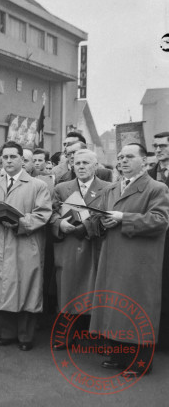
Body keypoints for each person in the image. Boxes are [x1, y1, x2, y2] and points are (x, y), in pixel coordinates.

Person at [89, 143, 169, 377]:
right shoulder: (112, 188)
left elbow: (161, 220)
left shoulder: (156, 188)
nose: (123, 161)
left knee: (138, 306)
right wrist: (100, 221)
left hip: (139, 259)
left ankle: (141, 363)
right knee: (116, 306)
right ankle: (119, 355)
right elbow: (99, 216)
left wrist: (123, 218)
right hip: (112, 255)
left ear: (144, 161)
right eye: (121, 157)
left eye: (129, 157)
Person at [0, 141, 52, 351]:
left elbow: (43, 214)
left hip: (23, 242)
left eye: (13, 157)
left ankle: (25, 336)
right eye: (5, 157)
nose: (9, 161)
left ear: (22, 160)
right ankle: (7, 333)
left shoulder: (37, 185)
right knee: (1, 287)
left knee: (26, 287)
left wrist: (20, 222)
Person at [49, 149, 110, 349]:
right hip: (68, 245)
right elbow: (51, 212)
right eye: (77, 163)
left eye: (86, 163)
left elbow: (108, 216)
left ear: (95, 166)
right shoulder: (61, 187)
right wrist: (59, 224)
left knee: (95, 290)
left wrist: (87, 227)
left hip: (94, 245)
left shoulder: (108, 188)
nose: (81, 166)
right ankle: (66, 334)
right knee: (66, 289)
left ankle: (95, 336)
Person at [148, 132, 169, 351]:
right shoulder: (150, 174)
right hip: (155, 237)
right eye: (155, 145)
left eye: (162, 145)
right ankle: (159, 336)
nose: (158, 149)